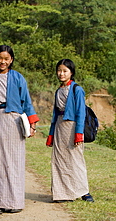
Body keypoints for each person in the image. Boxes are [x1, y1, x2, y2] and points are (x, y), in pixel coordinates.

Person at [0, 45, 39, 214]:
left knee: (14, 161)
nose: (2, 61)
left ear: (11, 60)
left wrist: (32, 123)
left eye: (6, 59)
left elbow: (26, 101)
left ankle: (14, 202)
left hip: (14, 120)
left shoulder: (18, 78)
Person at [46, 59, 94, 203]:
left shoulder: (76, 89)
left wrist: (79, 133)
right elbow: (55, 114)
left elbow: (81, 112)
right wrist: (51, 134)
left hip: (72, 127)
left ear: (71, 73)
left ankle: (83, 191)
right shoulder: (58, 91)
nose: (61, 74)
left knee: (75, 159)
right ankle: (62, 193)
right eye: (59, 70)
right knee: (59, 160)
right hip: (60, 127)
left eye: (65, 71)